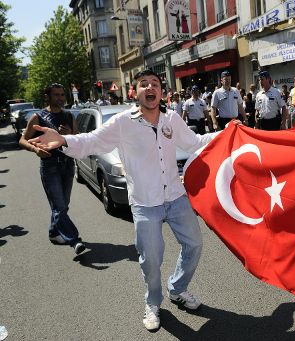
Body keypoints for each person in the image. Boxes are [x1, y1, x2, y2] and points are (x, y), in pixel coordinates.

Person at [27, 70, 221, 331]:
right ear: (135, 92)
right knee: (151, 258)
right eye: (144, 85)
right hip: (145, 203)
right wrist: (63, 139)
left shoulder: (172, 119)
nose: (150, 88)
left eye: (155, 84)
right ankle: (153, 303)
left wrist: (227, 133)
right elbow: (92, 141)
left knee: (194, 245)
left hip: (176, 197)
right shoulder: (123, 122)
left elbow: (196, 142)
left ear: (161, 92)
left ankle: (178, 288)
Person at [19, 83, 85, 255]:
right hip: (50, 166)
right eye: (56, 95)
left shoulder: (69, 115)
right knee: (59, 206)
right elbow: (22, 140)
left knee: (63, 205)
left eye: (62, 95)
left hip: (67, 166)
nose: (60, 98)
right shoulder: (37, 117)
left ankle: (54, 233)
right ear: (47, 96)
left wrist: (70, 133)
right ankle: (74, 240)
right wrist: (35, 149)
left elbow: (78, 140)